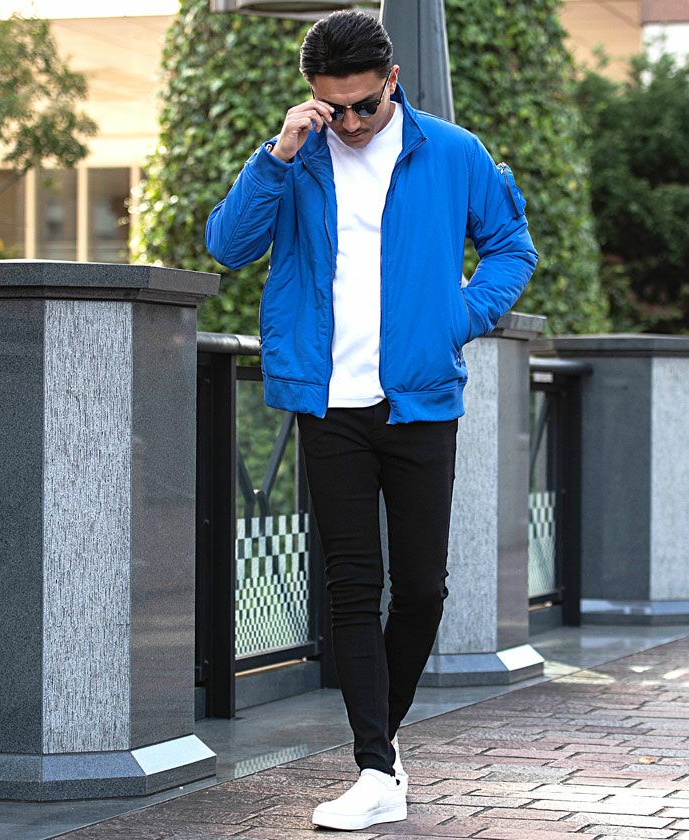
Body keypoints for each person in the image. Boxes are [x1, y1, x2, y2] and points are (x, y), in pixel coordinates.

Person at [205, 9, 537, 832]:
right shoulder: (298, 158)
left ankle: (379, 744)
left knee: (421, 587)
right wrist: (278, 155)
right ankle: (376, 767)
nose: (350, 123)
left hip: (419, 397)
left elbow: (511, 246)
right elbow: (227, 246)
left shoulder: (451, 152)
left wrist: (460, 317)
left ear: (392, 80)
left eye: (363, 104)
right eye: (334, 107)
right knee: (352, 585)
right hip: (329, 402)